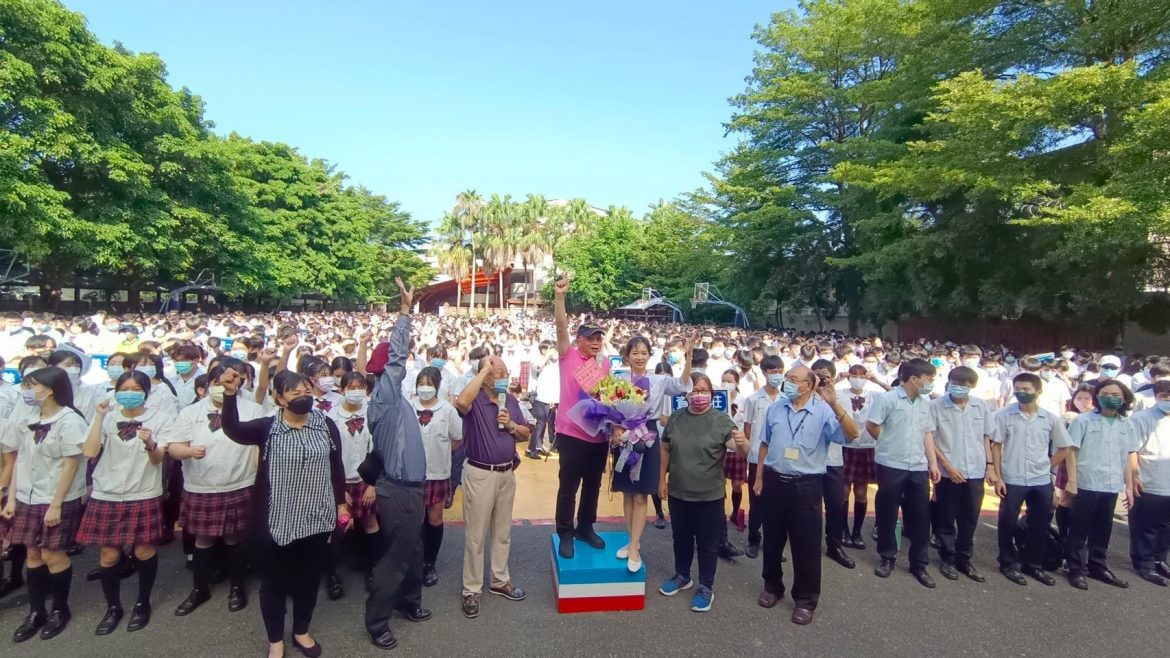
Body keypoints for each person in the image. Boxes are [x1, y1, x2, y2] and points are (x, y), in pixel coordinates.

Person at [219, 367, 348, 658]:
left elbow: (336, 466)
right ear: (279, 398)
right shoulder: (267, 428)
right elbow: (233, 430)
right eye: (294, 392)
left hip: (317, 517)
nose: (303, 397)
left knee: (308, 579)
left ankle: (301, 630)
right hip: (278, 520)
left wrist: (340, 503)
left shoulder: (326, 425)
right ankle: (275, 639)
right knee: (274, 582)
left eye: (306, 392)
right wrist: (229, 395)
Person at [753, 365, 859, 625]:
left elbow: (852, 434)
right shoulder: (776, 408)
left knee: (806, 545)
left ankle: (805, 600)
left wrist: (834, 404)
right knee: (773, 538)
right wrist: (759, 477)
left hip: (807, 485)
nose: (787, 383)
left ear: (809, 385)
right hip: (775, 480)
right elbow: (765, 443)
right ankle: (772, 586)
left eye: (793, 379)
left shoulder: (824, 411)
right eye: (787, 378)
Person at [77, 371, 174, 634]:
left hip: (142, 491)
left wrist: (151, 443)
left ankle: (142, 603)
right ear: (116, 390)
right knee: (109, 554)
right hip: (106, 492)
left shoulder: (161, 418)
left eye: (135, 388)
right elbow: (89, 451)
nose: (128, 393)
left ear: (145, 392)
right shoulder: (106, 417)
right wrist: (98, 417)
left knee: (144, 551)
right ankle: (113, 607)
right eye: (124, 388)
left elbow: (158, 460)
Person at [363, 278, 431, 651]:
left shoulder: (395, 398)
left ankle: (410, 603)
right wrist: (404, 314)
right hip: (399, 490)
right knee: (396, 557)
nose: (402, 367)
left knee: (413, 551)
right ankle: (377, 622)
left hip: (413, 490)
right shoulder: (386, 396)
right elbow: (395, 358)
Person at [1, 367, 88, 642]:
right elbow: (20, 461)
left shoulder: (70, 420)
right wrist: (12, 497)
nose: (26, 391)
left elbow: (71, 465)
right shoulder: (28, 418)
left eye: (31, 386)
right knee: (33, 555)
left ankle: (60, 610)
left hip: (56, 498)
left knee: (52, 554)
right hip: (27, 496)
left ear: (49, 389)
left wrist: (56, 504)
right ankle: (36, 612)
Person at [169, 362, 261, 617]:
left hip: (240, 482)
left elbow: (258, 447)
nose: (223, 388)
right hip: (201, 486)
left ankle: (237, 586)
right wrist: (188, 451)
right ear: (207, 386)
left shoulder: (252, 409)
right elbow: (174, 447)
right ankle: (200, 588)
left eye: (230, 383)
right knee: (203, 538)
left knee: (235, 538)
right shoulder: (191, 413)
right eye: (217, 383)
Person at [657, 373, 748, 613]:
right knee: (681, 537)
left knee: (708, 543)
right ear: (686, 394)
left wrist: (742, 442)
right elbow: (665, 449)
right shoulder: (676, 419)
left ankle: (706, 586)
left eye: (703, 390)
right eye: (694, 390)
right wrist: (661, 480)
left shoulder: (721, 420)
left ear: (711, 393)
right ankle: (682, 575)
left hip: (709, 495)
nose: (699, 394)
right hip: (678, 492)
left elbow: (739, 450)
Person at [453, 355, 531, 618]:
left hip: (506, 474)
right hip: (480, 474)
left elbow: (526, 433)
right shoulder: (474, 399)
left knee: (502, 531)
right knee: (475, 535)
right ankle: (471, 590)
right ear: (485, 376)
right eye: (498, 373)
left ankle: (499, 581)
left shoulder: (509, 400)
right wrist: (484, 368)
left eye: (505, 372)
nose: (504, 377)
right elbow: (461, 402)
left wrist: (510, 424)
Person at [611, 336, 689, 573]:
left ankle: (634, 547)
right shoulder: (618, 379)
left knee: (641, 494)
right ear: (627, 355)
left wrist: (688, 363)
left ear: (649, 355)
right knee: (627, 492)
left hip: (649, 436)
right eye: (635, 353)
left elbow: (682, 386)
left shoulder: (659, 380)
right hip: (624, 435)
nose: (639, 357)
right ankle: (631, 539)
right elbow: (611, 408)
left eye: (644, 353)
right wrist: (615, 427)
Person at [866, 358, 941, 588]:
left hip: (917, 466)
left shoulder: (925, 402)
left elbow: (927, 433)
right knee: (888, 513)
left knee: (920, 516)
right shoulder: (887, 399)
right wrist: (887, 443)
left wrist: (933, 463)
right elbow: (872, 425)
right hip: (891, 464)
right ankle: (887, 557)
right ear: (914, 378)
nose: (930, 384)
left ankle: (919, 563)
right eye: (928, 380)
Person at [991, 372, 1071, 587]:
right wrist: (998, 476)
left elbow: (1065, 447)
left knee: (1039, 523)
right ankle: (1007, 562)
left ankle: (1033, 564)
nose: (1021, 393)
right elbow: (996, 446)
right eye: (1017, 389)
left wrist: (1048, 464)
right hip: (1012, 477)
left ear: (1038, 391)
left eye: (1026, 389)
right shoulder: (1003, 415)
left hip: (1040, 479)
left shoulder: (1050, 418)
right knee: (1007, 522)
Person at [552, 274, 611, 559]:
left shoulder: (606, 363)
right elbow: (561, 326)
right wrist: (560, 297)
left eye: (599, 337)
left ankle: (586, 526)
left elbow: (611, 397)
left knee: (593, 484)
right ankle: (565, 530)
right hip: (571, 433)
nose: (596, 342)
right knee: (569, 485)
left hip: (598, 435)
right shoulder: (569, 355)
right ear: (579, 340)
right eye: (591, 338)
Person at [1063, 379, 1139, 590]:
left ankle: (1098, 566)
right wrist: (1072, 480)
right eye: (1105, 393)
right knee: (1079, 528)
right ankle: (1075, 568)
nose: (1110, 397)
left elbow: (1127, 456)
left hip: (1111, 484)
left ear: (1124, 399)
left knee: (1103, 529)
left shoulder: (1127, 424)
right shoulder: (1083, 421)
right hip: (1086, 482)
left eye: (1116, 394)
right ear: (1097, 397)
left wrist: (1130, 486)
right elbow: (1071, 451)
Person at [927, 366, 993, 582]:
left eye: (964, 384)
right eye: (954, 382)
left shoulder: (980, 406)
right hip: (948, 473)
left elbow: (986, 437)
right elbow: (930, 439)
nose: (958, 387)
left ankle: (964, 559)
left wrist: (990, 465)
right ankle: (947, 558)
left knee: (969, 518)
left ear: (971, 386)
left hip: (975, 470)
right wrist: (946, 465)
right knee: (946, 518)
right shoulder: (936, 406)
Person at [413, 367, 462, 588]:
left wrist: (440, 452)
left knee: (434, 519)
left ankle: (429, 563)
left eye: (429, 383)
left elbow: (457, 439)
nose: (425, 387)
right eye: (421, 383)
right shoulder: (408, 406)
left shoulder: (447, 410)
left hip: (438, 472)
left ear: (437, 386)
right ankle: (413, 561)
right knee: (414, 519)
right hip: (412, 474)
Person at [809, 359, 854, 570]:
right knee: (809, 507)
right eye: (816, 374)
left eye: (824, 375)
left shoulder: (842, 398)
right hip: (808, 461)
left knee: (836, 504)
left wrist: (833, 403)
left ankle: (834, 544)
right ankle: (809, 543)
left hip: (833, 461)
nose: (820, 379)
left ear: (833, 377)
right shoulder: (803, 397)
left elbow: (850, 432)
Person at [742, 355, 784, 559]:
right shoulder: (753, 400)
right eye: (773, 372)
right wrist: (751, 453)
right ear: (765, 373)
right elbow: (748, 429)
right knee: (756, 501)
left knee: (777, 503)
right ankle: (753, 539)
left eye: (780, 371)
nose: (777, 376)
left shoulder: (786, 399)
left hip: (779, 458)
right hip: (757, 457)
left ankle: (773, 542)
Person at [1129, 379, 1170, 585]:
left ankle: (1160, 560)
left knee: (1166, 526)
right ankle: (1144, 563)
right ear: (1156, 396)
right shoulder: (1140, 419)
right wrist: (1134, 475)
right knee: (1145, 526)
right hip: (1148, 480)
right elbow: (1132, 450)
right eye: (1165, 395)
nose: (1169, 399)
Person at [839, 364, 879, 549]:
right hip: (846, 445)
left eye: (862, 375)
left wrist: (876, 380)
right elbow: (821, 393)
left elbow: (894, 392)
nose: (858, 378)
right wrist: (839, 377)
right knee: (844, 491)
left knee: (862, 492)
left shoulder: (874, 395)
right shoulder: (840, 393)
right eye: (854, 375)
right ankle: (843, 530)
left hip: (867, 446)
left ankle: (857, 531)